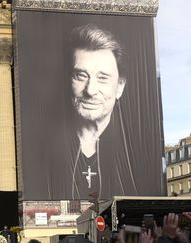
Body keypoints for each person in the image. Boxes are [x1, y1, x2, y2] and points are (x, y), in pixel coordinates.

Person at [46, 23, 157, 200]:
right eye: (81, 76)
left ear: (120, 86)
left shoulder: (139, 153)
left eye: (103, 78)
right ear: (67, 81)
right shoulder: (44, 147)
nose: (90, 90)